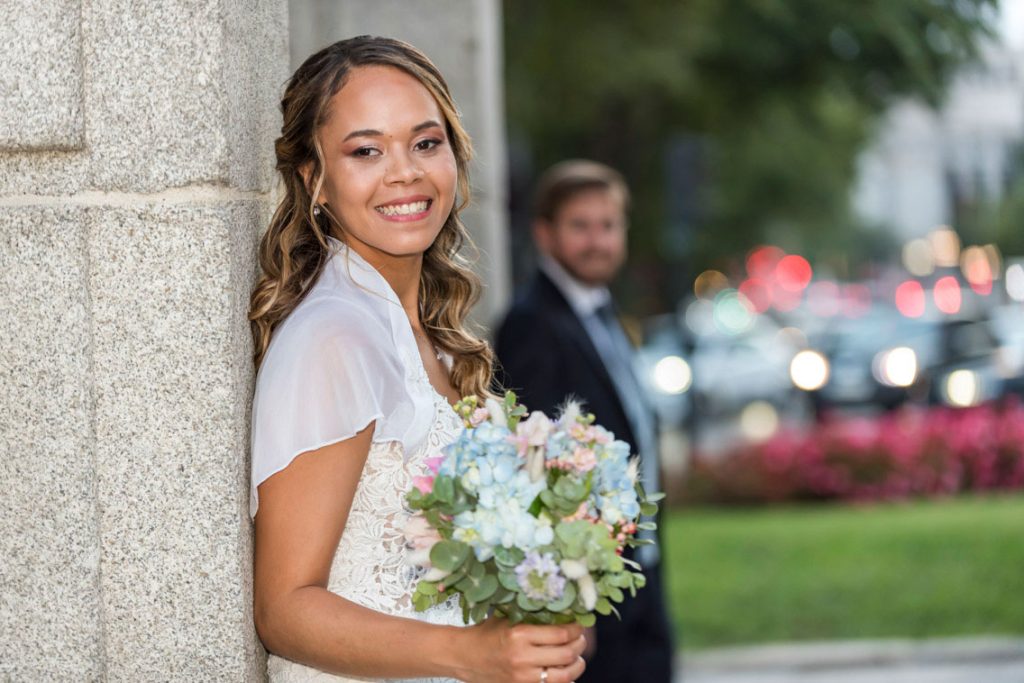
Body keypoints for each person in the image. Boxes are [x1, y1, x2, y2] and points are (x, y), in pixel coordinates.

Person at [248, 36, 586, 683]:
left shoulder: (419, 331)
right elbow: (284, 608)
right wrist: (470, 654)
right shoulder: (333, 338)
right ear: (312, 178)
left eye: (425, 143)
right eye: (366, 150)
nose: (404, 171)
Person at [495, 161, 675, 683]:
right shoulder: (532, 324)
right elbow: (535, 465)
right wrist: (567, 596)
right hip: (589, 587)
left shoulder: (601, 311)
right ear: (544, 233)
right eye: (580, 226)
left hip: (639, 569)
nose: (597, 241)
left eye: (608, 225)